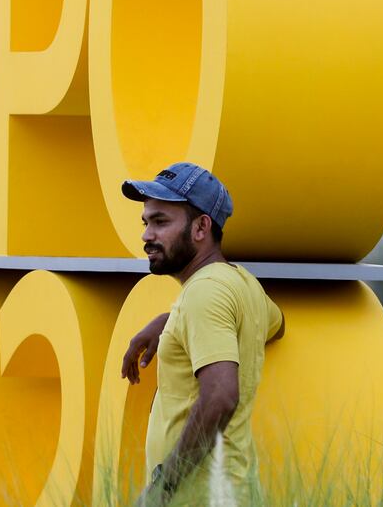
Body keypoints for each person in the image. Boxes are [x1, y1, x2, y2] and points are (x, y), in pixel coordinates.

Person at [119, 162, 285, 506]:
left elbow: (221, 395)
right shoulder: (242, 284)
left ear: (201, 227)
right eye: (146, 222)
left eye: (161, 222)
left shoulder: (205, 293)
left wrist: (164, 487)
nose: (147, 235)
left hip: (197, 496)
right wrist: (171, 321)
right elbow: (277, 323)